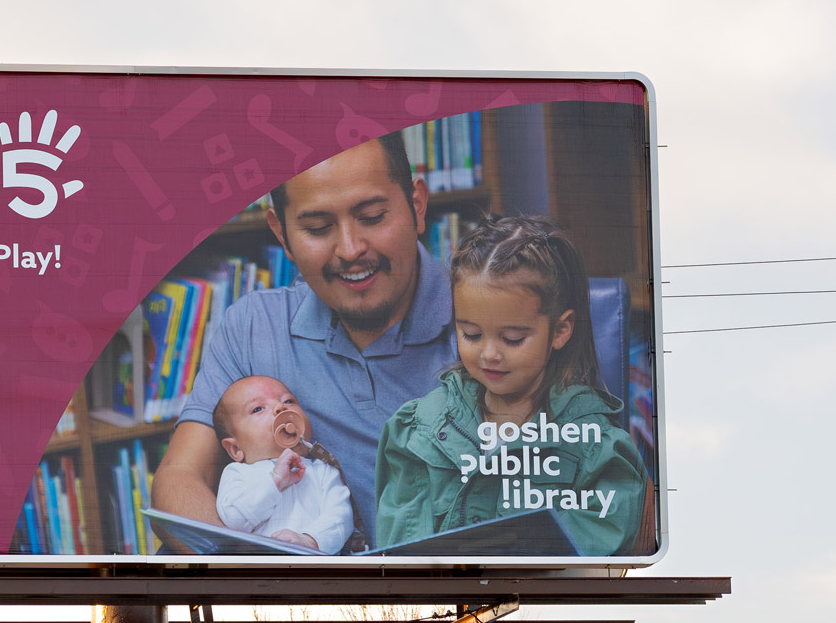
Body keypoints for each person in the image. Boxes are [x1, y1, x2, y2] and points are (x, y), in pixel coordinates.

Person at [151, 133, 456, 543]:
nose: (350, 249)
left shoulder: (493, 328)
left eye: (372, 217)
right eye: (317, 227)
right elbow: (177, 480)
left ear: (417, 206)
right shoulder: (253, 326)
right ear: (281, 235)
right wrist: (264, 575)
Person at [373, 215, 647, 556]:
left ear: (561, 330)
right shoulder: (420, 428)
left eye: (513, 338)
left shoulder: (593, 441)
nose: (489, 354)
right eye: (470, 334)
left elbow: (600, 543)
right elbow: (401, 550)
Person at [211, 375, 354, 554]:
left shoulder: (323, 471)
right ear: (235, 448)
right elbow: (234, 521)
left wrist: (309, 540)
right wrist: (274, 482)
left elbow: (341, 517)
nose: (280, 407)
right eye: (257, 409)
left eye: (289, 400)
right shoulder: (237, 474)